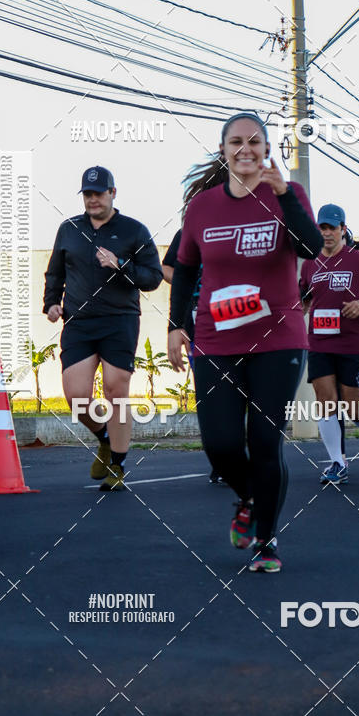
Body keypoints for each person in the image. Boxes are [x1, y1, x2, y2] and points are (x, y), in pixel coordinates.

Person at [167, 112, 322, 572]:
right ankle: (249, 497)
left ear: (267, 149)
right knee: (221, 444)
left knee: (264, 439)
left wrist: (281, 194)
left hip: (278, 339)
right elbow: (187, 269)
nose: (245, 149)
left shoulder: (288, 195)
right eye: (236, 141)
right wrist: (178, 324)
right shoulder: (201, 208)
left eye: (255, 141)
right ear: (224, 150)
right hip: (216, 339)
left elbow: (311, 249)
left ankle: (266, 542)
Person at [44, 166, 163, 490]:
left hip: (119, 320)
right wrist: (51, 303)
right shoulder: (69, 229)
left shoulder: (133, 231)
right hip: (79, 322)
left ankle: (118, 466)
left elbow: (153, 277)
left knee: (115, 388)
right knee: (77, 396)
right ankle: (105, 438)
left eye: (98, 193)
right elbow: (54, 273)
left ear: (113, 193)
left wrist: (121, 265)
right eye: (87, 194)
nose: (93, 199)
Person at [300, 204, 359, 485]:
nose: (326, 233)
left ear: (343, 230)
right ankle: (338, 462)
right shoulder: (310, 263)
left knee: (353, 407)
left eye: (331, 228)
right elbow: (305, 299)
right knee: (325, 403)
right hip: (320, 342)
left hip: (352, 343)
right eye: (322, 228)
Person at [162, 162, 230, 484]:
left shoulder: (247, 226)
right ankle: (220, 458)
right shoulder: (189, 232)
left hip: (241, 320)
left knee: (240, 390)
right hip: (199, 322)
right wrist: (192, 285)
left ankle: (238, 452)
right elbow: (168, 269)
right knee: (209, 390)